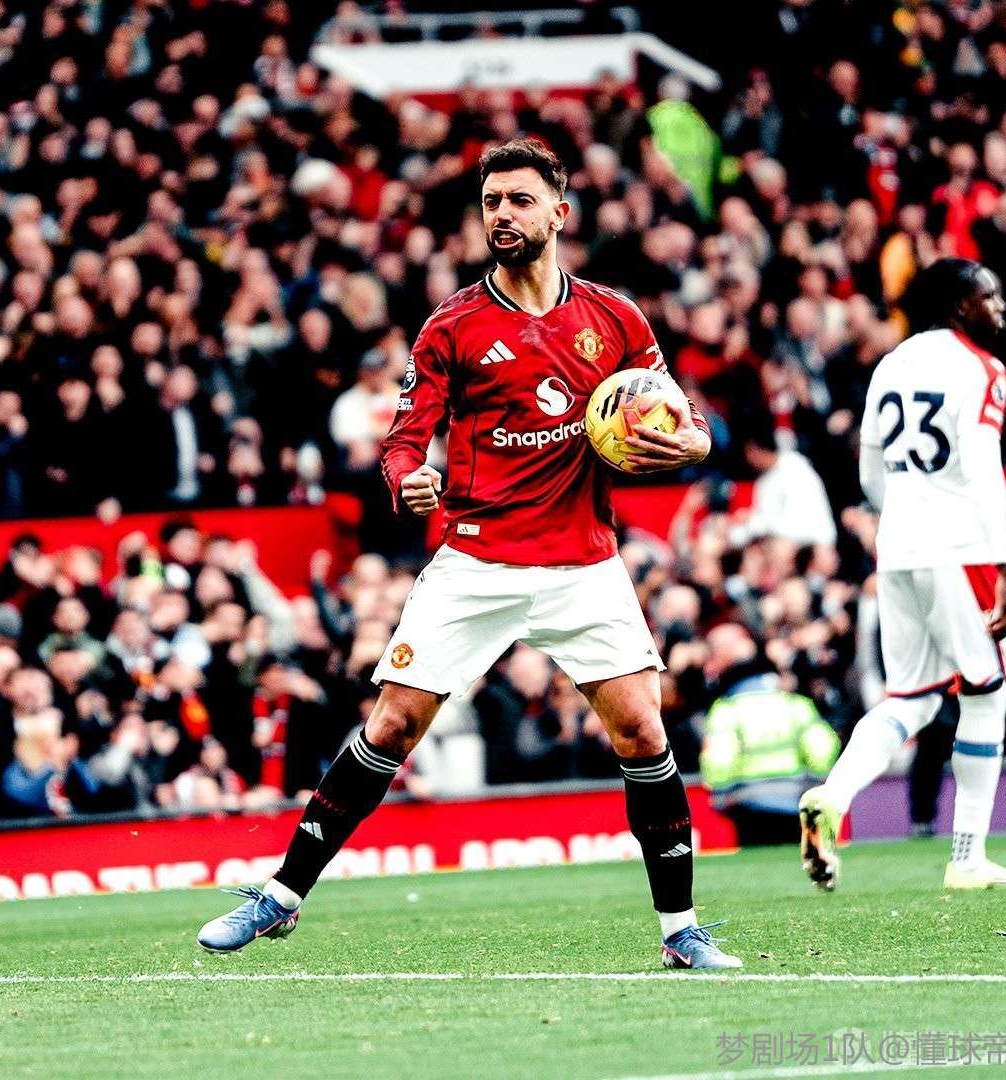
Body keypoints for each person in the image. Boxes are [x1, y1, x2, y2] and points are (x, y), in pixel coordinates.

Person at [197, 137, 743, 969]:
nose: (502, 216)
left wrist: (694, 444)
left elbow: (679, 415)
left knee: (641, 729)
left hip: (583, 562)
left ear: (559, 212)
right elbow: (402, 440)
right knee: (392, 723)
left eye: (520, 200)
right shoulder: (453, 325)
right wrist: (408, 477)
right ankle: (279, 896)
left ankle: (681, 931)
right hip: (478, 562)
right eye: (492, 203)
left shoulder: (615, 317)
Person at [798, 259, 1006, 891]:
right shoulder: (982, 369)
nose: (1000, 308)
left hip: (899, 546)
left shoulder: (890, 365)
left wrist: (903, 512)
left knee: (913, 697)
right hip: (963, 547)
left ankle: (833, 797)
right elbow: (982, 470)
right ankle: (967, 857)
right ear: (958, 306)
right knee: (987, 691)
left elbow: (870, 470)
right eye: (989, 296)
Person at [699, 624, 839, 846]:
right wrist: (811, 786)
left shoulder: (726, 711)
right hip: (797, 804)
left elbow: (719, 763)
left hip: (749, 810)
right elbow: (822, 750)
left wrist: (723, 793)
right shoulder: (795, 704)